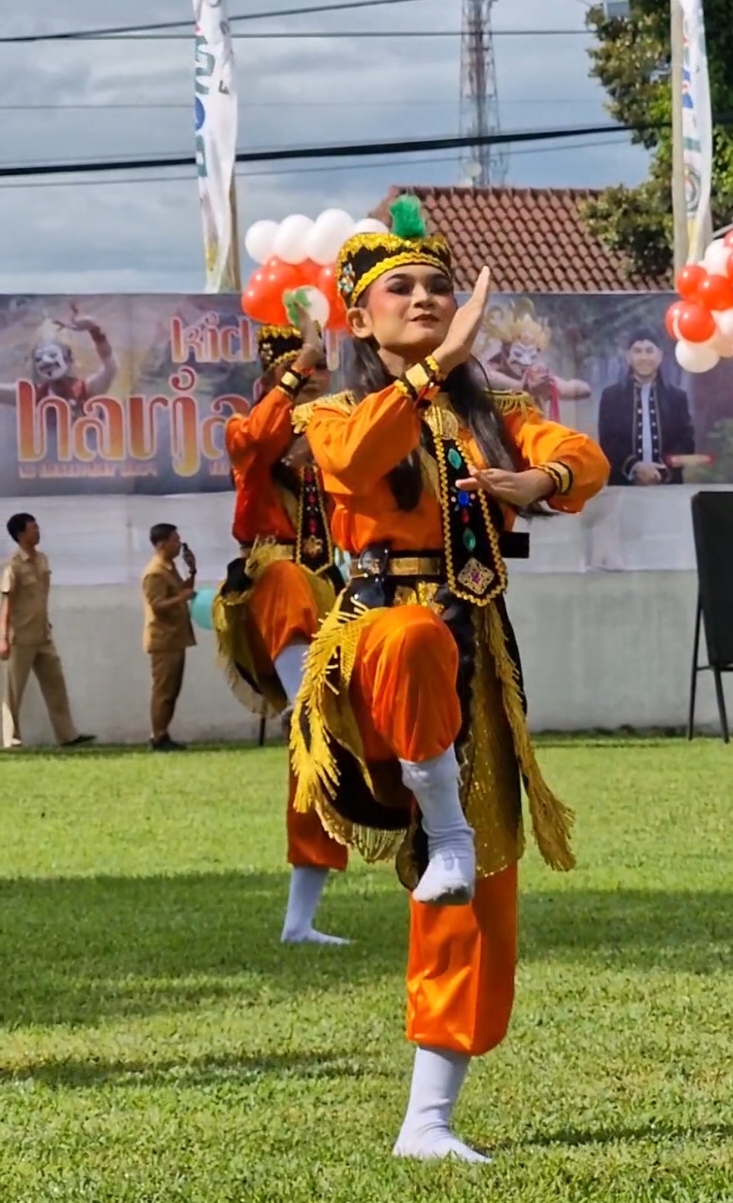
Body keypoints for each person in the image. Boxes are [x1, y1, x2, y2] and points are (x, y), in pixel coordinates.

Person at [290, 195, 610, 1162]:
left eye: (439, 286)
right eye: (404, 288)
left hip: (479, 664)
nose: (427, 298)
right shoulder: (336, 408)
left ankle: (427, 1120)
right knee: (412, 638)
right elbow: (351, 464)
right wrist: (435, 367)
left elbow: (582, 456)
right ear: (359, 316)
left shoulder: (494, 413)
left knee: (474, 908)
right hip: (372, 648)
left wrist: (539, 481)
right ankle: (449, 828)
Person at [215, 296, 350, 946]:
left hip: (333, 588)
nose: (316, 382)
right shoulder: (247, 432)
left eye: (322, 371)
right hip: (275, 580)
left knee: (341, 751)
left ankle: (301, 920)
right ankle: (309, 701)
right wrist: (299, 365)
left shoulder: (332, 438)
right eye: (305, 372)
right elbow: (262, 440)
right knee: (314, 721)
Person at [0, 513, 95, 749]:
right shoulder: (13, 566)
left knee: (56, 685)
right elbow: (6, 605)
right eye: (33, 528)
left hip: (43, 635)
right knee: (14, 691)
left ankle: (67, 735)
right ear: (21, 534)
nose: (38, 531)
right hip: (20, 637)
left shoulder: (42, 559)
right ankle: (10, 738)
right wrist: (3, 638)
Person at [597, 326, 695, 485]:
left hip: (668, 488)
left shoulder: (677, 397)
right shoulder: (611, 396)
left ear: (660, 356)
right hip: (624, 485)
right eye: (637, 351)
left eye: (649, 351)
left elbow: (687, 442)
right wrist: (635, 467)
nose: (644, 357)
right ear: (628, 357)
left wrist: (662, 471)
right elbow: (608, 442)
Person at [141, 523, 196, 752]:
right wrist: (182, 597)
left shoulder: (169, 567)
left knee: (172, 690)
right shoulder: (154, 572)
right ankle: (158, 736)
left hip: (176, 636)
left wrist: (192, 572)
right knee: (163, 691)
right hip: (163, 639)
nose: (178, 544)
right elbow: (157, 605)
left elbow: (180, 592)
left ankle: (164, 732)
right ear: (162, 544)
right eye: (175, 541)